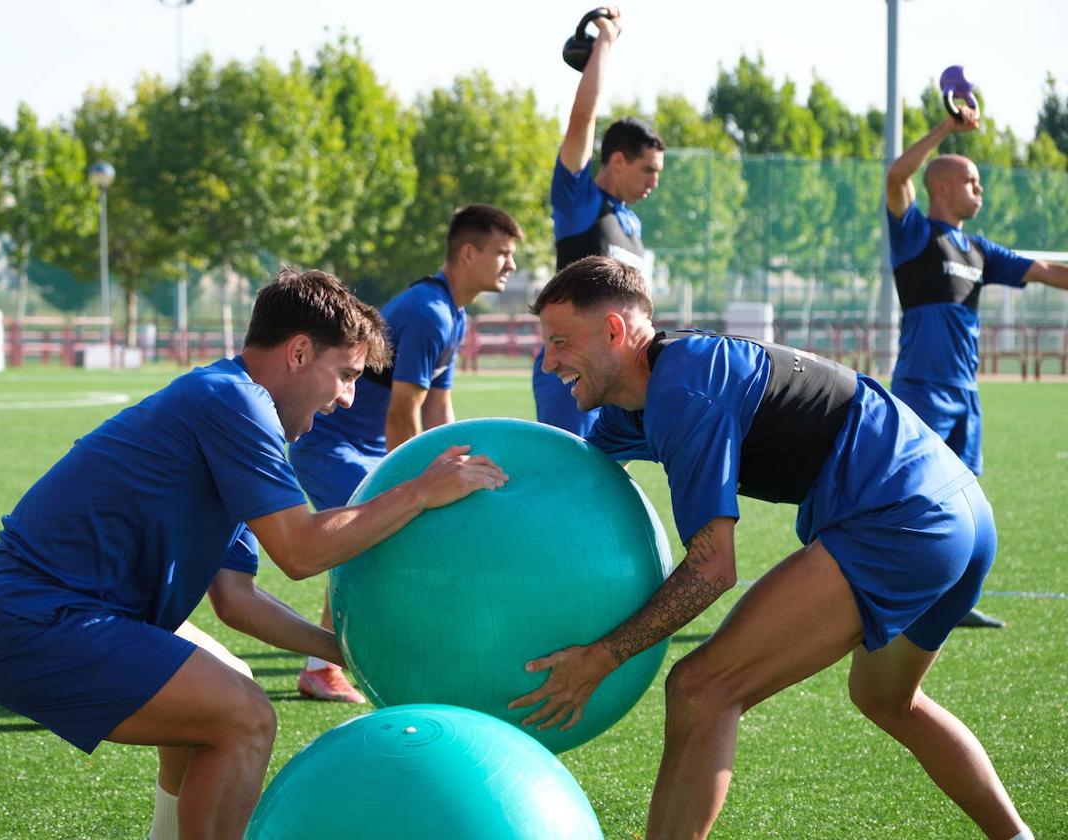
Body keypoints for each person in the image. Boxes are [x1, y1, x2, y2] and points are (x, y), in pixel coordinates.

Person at [0, 268, 508, 839]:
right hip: (37, 620)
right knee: (244, 717)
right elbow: (301, 551)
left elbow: (236, 598)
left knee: (227, 682)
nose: (348, 399)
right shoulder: (234, 402)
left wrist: (344, 651)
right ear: (298, 352)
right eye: (345, 375)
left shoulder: (234, 404)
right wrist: (420, 491)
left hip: (57, 613)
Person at [514, 255, 1032, 840]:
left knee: (702, 688)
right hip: (958, 509)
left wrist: (602, 658)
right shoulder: (643, 396)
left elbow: (712, 571)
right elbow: (568, 472)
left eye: (560, 341)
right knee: (887, 700)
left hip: (905, 520)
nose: (548, 360)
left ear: (614, 331)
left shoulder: (684, 389)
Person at [288, 203, 522, 701]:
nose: (511, 265)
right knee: (370, 532)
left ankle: (361, 652)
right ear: (468, 252)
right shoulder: (429, 313)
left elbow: (439, 409)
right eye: (502, 253)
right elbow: (403, 414)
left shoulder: (450, 314)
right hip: (332, 444)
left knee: (393, 526)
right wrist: (418, 485)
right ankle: (323, 665)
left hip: (366, 447)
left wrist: (463, 466)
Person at [886, 105, 1068, 628]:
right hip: (923, 387)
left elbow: (1048, 270)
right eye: (972, 180)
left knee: (965, 496)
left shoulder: (979, 251)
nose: (980, 190)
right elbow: (897, 176)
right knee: (914, 494)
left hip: (966, 392)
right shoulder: (916, 233)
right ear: (941, 187)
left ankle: (952, 602)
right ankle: (894, 591)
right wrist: (946, 130)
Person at [534, 5, 664, 437]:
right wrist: (604, 42)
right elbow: (581, 119)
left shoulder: (633, 226)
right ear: (618, 160)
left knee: (611, 480)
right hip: (574, 367)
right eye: (648, 170)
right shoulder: (579, 202)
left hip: (619, 372)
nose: (654, 182)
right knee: (571, 478)